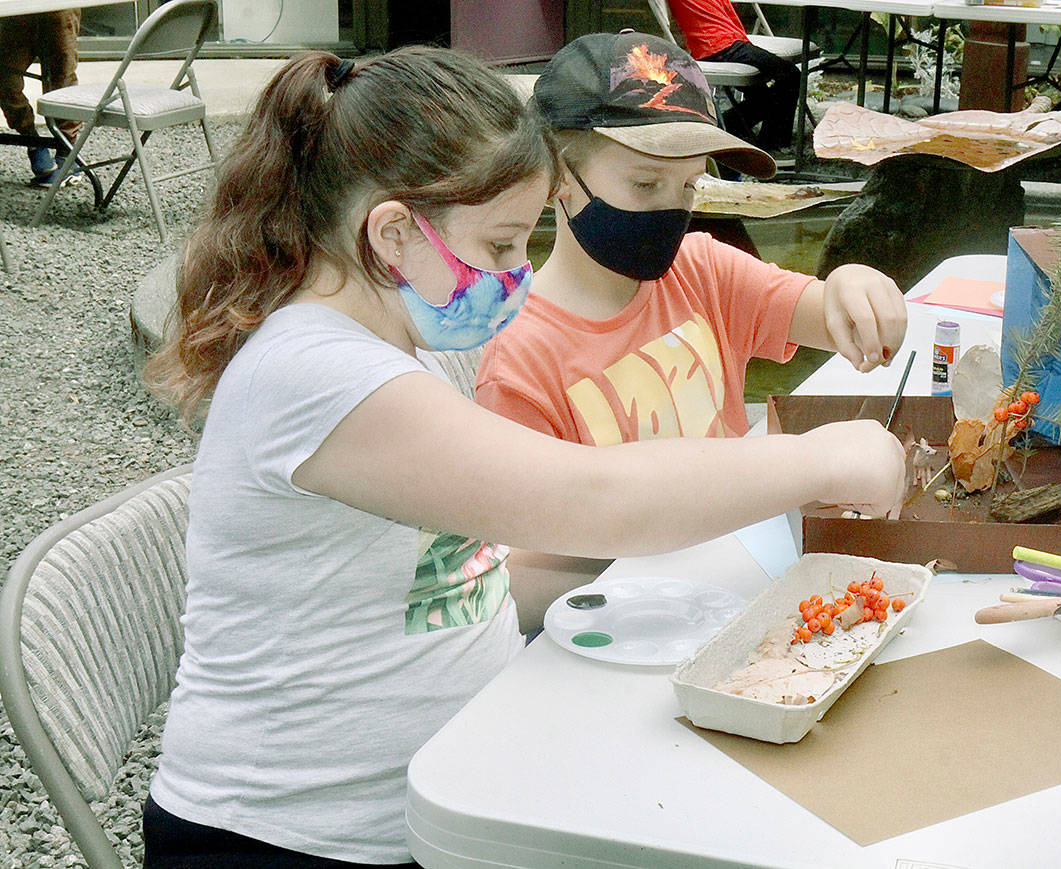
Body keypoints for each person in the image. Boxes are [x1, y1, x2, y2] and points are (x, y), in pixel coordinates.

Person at [140, 46, 905, 867]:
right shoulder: (313, 373)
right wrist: (822, 457)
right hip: (291, 836)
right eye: (502, 244)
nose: (518, 275)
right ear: (393, 231)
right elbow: (595, 496)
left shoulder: (392, 336)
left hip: (457, 766)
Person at [475, 31, 906, 448]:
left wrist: (852, 284)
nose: (671, 210)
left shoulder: (704, 272)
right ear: (558, 174)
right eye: (645, 184)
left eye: (689, 185)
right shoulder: (518, 363)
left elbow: (830, 312)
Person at [667, 0, 801, 151]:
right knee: (790, 75)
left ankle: (729, 127)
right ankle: (772, 146)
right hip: (717, 45)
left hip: (726, 41)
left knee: (766, 96)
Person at [0, 9, 82, 185]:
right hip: (16, 10)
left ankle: (66, 147)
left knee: (62, 76)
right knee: (5, 77)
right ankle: (32, 140)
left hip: (59, 8)